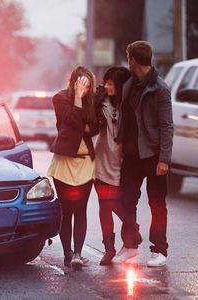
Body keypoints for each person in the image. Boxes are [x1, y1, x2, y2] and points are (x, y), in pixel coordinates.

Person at [113, 41, 173, 267]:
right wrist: (119, 144)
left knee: (157, 204)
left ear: (133, 60)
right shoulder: (130, 85)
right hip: (131, 155)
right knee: (126, 200)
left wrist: (164, 159)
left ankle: (159, 250)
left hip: (153, 155)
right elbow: (125, 119)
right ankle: (129, 246)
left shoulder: (160, 89)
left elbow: (167, 125)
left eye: (128, 58)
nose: (127, 62)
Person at [47, 66, 98, 269]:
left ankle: (77, 253)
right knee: (66, 210)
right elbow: (76, 121)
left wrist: (84, 123)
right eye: (80, 83)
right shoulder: (60, 98)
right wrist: (77, 99)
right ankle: (67, 253)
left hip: (86, 162)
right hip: (64, 161)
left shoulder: (93, 100)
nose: (84, 89)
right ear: (74, 82)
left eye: (87, 85)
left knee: (81, 209)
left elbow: (95, 127)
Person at [94, 66, 136, 265]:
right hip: (101, 160)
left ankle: (131, 228)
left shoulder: (129, 105)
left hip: (122, 163)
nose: (107, 86)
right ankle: (108, 249)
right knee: (104, 205)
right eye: (106, 82)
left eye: (111, 83)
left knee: (117, 203)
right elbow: (90, 114)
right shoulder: (101, 101)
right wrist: (98, 95)